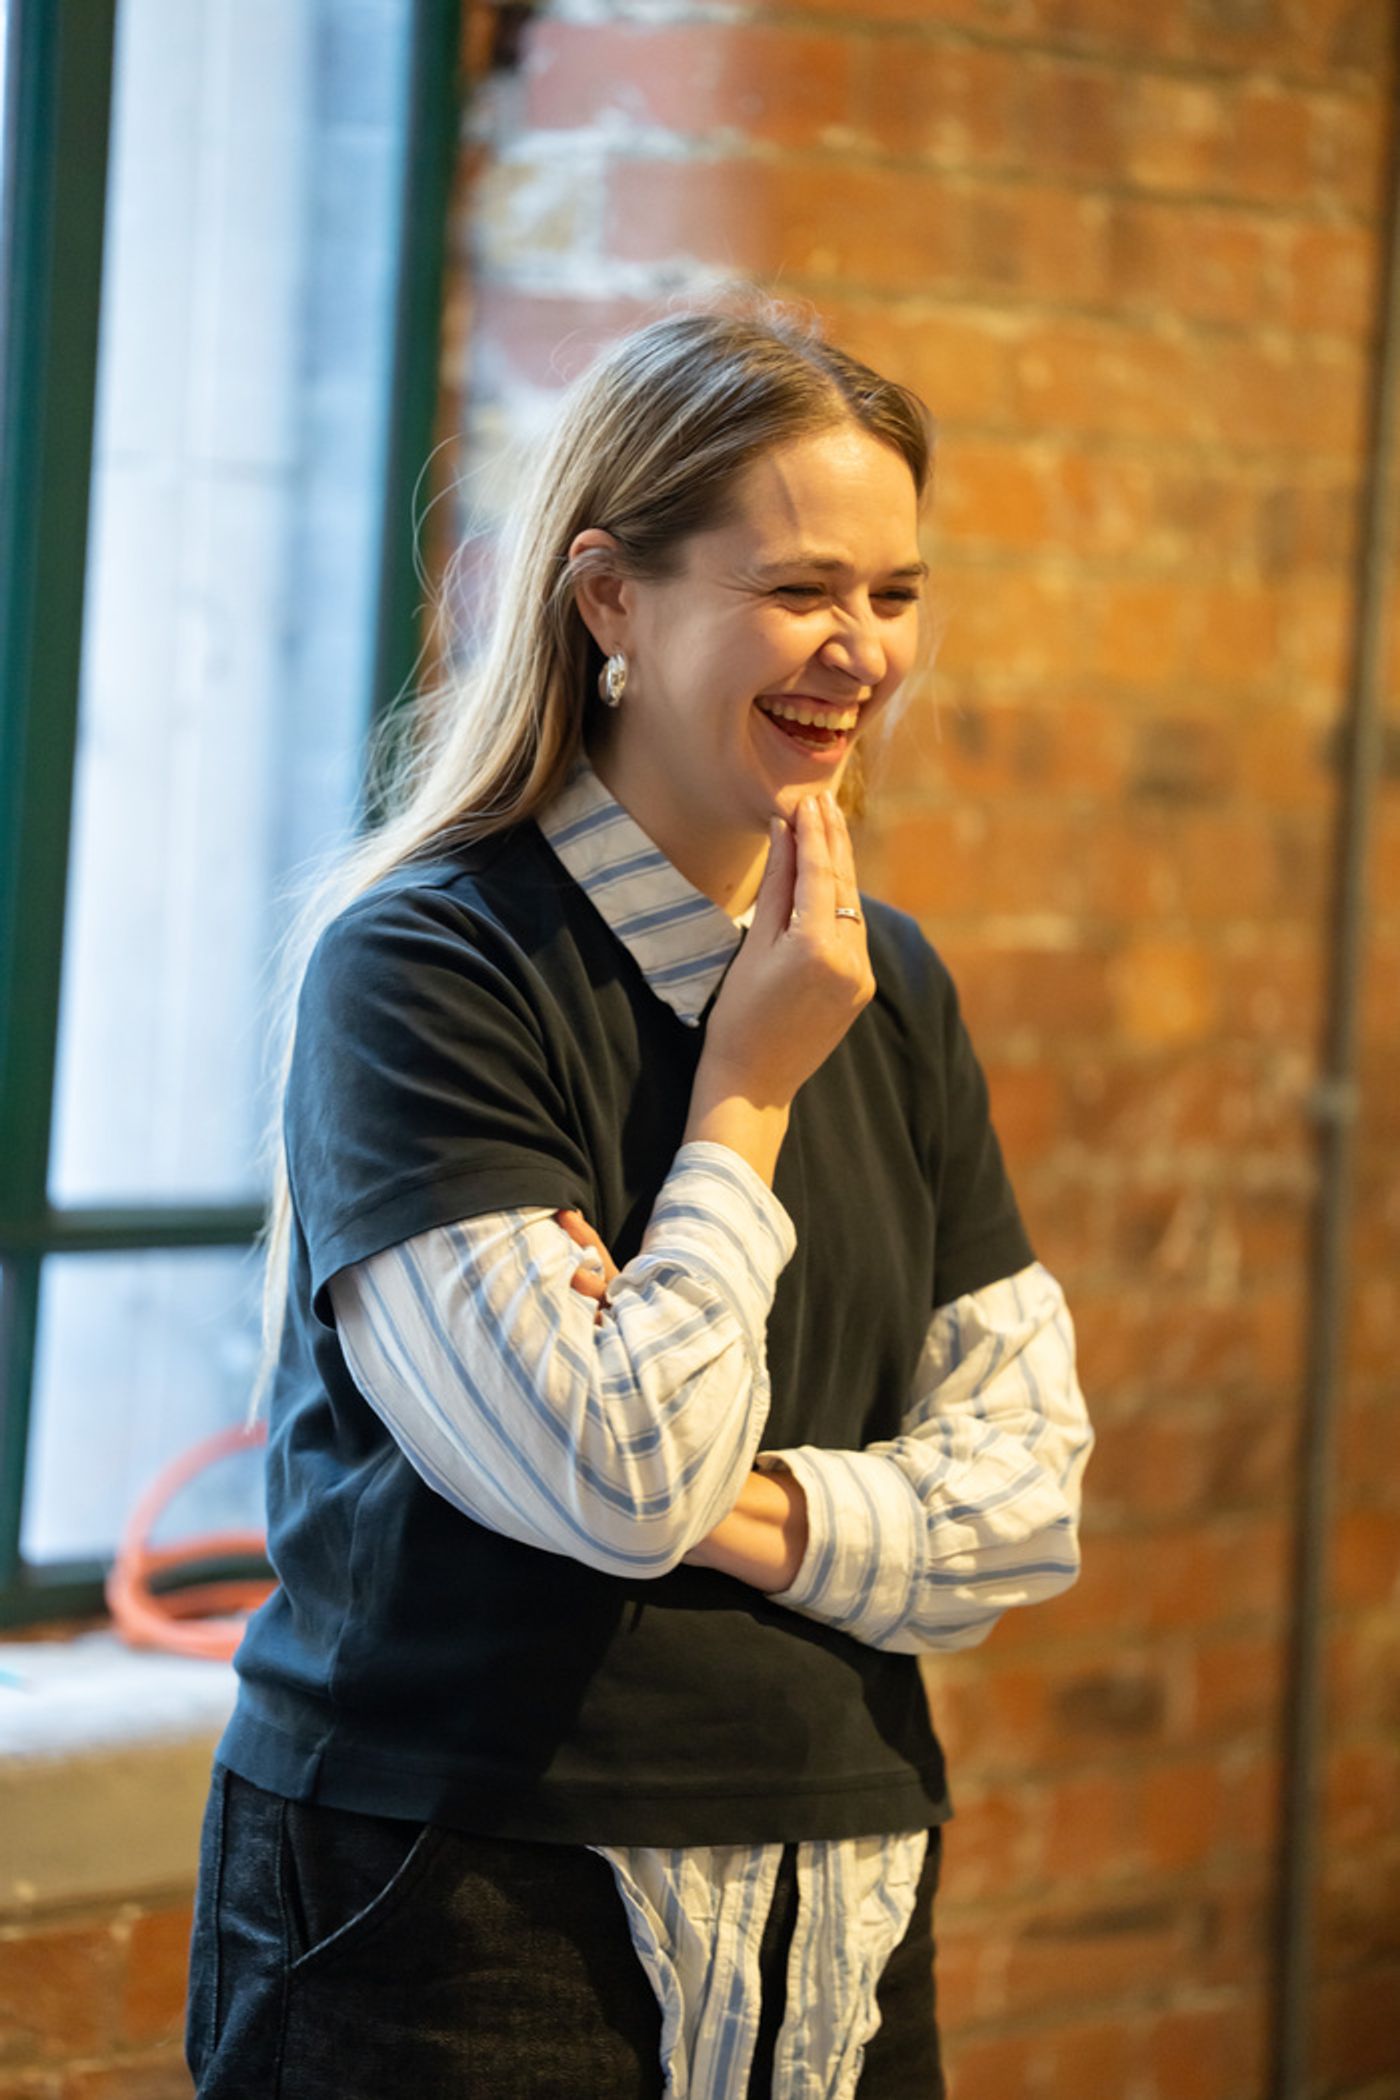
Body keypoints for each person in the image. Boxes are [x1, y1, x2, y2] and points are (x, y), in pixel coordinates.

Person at [186, 304, 1093, 2100]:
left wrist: (706, 1499)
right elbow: (615, 1476)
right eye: (802, 587)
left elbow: (1024, 1503)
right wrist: (744, 1093)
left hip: (842, 1888)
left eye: (897, 595)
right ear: (609, 596)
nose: (860, 652)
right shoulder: (432, 965)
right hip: (461, 1891)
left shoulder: (887, 982)